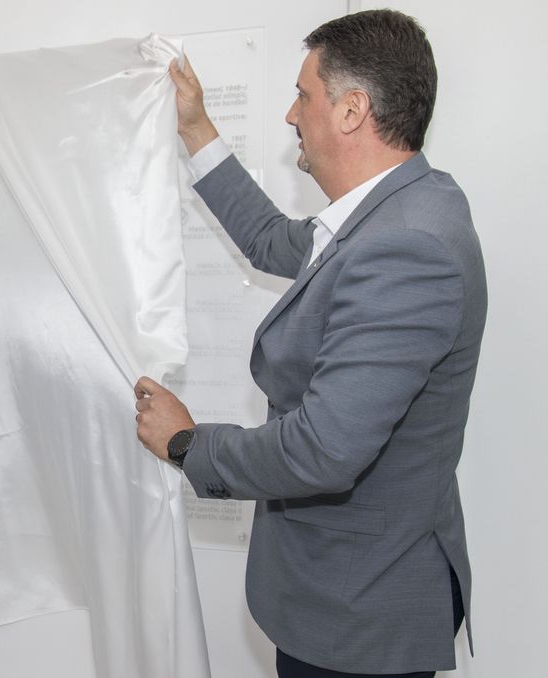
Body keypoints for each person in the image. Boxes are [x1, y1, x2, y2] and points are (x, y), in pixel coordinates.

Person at [134, 10, 485, 678]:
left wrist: (186, 444)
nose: (291, 115)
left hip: (358, 615)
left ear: (352, 111)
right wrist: (195, 126)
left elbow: (323, 449)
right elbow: (271, 240)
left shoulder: (406, 247)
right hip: (339, 593)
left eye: (303, 95)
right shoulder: (395, 208)